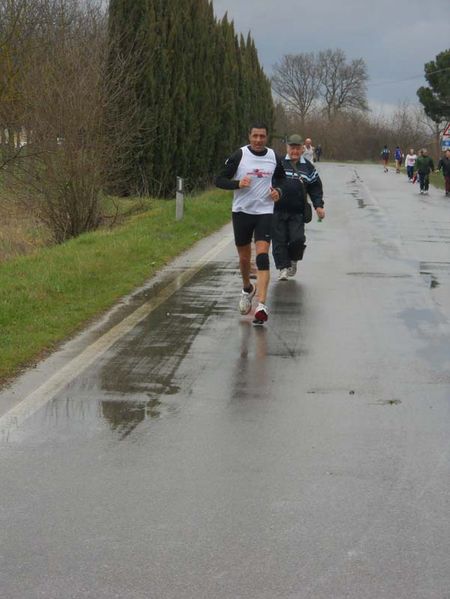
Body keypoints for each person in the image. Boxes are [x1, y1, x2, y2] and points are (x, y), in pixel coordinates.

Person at [215, 122, 285, 325]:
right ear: (249, 136)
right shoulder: (240, 155)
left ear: (267, 137)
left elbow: (282, 180)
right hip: (242, 212)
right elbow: (219, 179)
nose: (258, 140)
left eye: (262, 136)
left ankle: (262, 305)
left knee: (262, 256)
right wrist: (238, 183)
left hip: (265, 212)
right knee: (245, 259)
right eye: (255, 136)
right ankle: (247, 288)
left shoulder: (274, 157)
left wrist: (278, 191)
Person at [272, 134, 325, 281]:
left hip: (297, 212)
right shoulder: (279, 163)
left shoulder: (308, 167)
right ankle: (283, 268)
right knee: (279, 240)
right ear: (287, 148)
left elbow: (315, 188)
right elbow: (269, 182)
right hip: (278, 210)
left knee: (297, 239)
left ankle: (293, 259)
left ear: (302, 149)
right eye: (292, 148)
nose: (294, 151)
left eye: (297, 148)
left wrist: (318, 206)